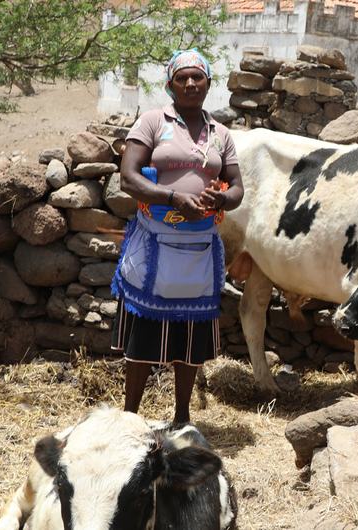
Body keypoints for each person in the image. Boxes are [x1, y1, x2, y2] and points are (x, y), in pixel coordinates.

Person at [111, 49, 244, 427]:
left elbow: (237, 188)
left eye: (197, 77)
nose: (190, 84)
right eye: (182, 78)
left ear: (208, 84)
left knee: (190, 336)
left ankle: (182, 418)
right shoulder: (153, 122)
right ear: (170, 85)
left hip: (199, 247)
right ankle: (130, 420)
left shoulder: (221, 135)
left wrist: (221, 198)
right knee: (145, 334)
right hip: (155, 241)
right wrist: (173, 198)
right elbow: (129, 177)